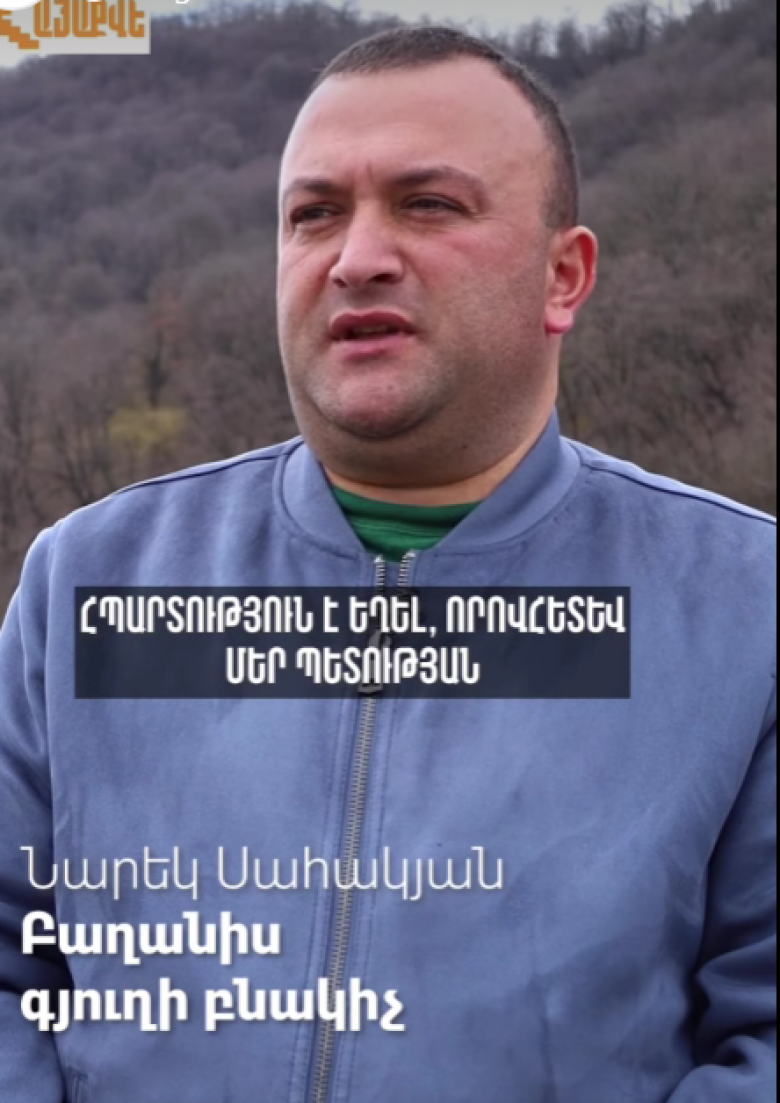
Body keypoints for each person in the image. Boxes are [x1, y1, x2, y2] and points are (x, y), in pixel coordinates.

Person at [0, 25, 776, 1103]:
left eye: (429, 203)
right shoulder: (91, 582)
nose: (356, 255)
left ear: (563, 276)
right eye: (314, 213)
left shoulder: (742, 608)